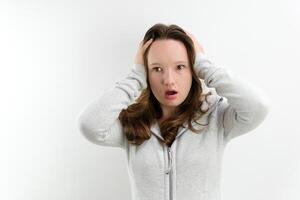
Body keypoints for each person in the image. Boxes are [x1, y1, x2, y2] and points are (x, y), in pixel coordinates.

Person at [77, 23, 270, 200]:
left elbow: (258, 106)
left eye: (180, 67)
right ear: (146, 73)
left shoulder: (215, 117)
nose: (169, 80)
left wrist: (205, 66)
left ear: (193, 69)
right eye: (157, 68)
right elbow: (90, 125)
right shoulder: (133, 122)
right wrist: (135, 78)